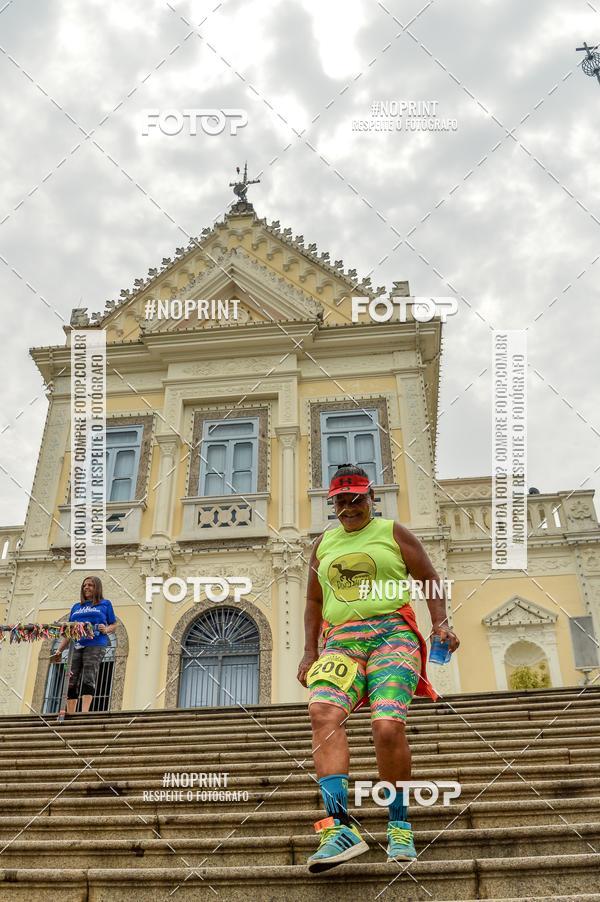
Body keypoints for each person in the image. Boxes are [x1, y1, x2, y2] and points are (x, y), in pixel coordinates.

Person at [297, 464, 460, 873]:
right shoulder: (323, 544)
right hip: (341, 642)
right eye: (341, 500)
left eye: (357, 499)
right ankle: (338, 827)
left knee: (387, 725)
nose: (350, 507)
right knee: (322, 713)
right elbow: (314, 602)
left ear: (371, 498)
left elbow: (429, 578)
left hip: (392, 634)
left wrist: (440, 623)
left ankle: (399, 824)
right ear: (332, 503)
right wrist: (308, 651)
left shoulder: (393, 533)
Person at [50, 576, 117, 714]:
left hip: (96, 643)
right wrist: (59, 650)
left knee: (89, 674)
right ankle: (71, 712)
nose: (86, 587)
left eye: (90, 585)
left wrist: (107, 629)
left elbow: (114, 624)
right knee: (71, 676)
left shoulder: (105, 604)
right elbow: (70, 631)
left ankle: (84, 711)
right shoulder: (76, 607)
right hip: (76, 644)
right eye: (85, 585)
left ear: (97, 587)